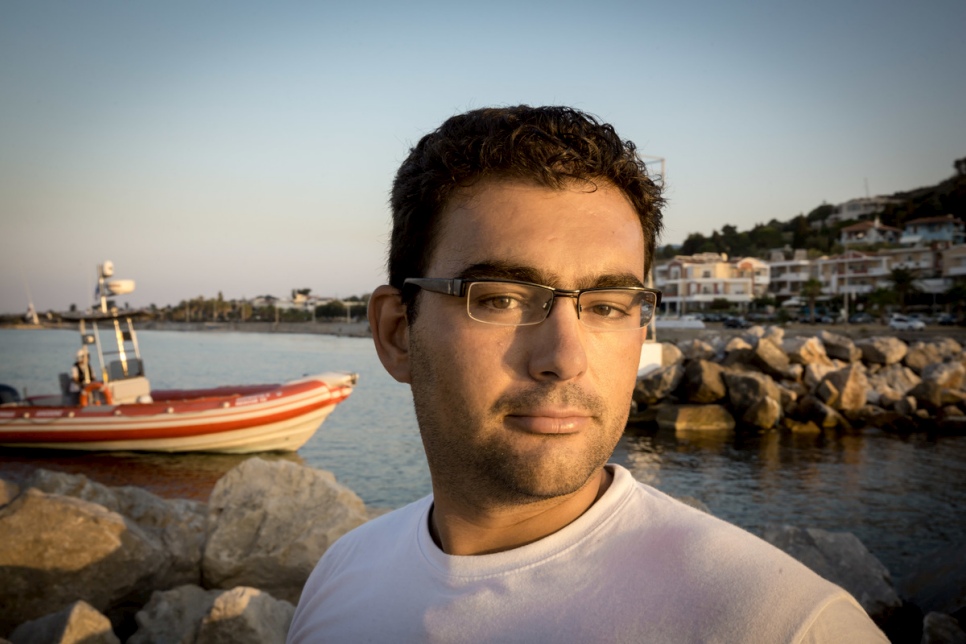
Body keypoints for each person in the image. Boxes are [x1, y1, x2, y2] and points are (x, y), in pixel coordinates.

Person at [288, 106, 887, 642]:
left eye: (606, 306)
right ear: (397, 333)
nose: (565, 357)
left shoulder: (782, 623)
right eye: (501, 299)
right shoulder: (342, 577)